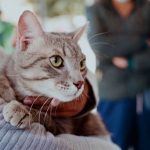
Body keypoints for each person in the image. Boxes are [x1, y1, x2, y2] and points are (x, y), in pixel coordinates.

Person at [86, 0, 150, 149]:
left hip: (144, 89)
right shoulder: (96, 9)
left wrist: (131, 62)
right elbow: (100, 44)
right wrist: (143, 41)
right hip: (113, 92)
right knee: (113, 144)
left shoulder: (146, 7)